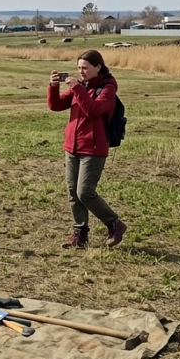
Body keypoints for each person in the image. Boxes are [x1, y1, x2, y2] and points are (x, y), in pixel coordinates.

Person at [47, 50, 127, 249]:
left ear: (98, 67)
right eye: (79, 68)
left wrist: (77, 89)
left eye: (85, 68)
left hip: (94, 147)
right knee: (73, 192)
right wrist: (53, 86)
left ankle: (114, 223)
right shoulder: (79, 87)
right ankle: (80, 235)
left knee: (85, 192)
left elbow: (93, 110)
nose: (81, 72)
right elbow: (55, 106)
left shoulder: (107, 88)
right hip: (72, 146)